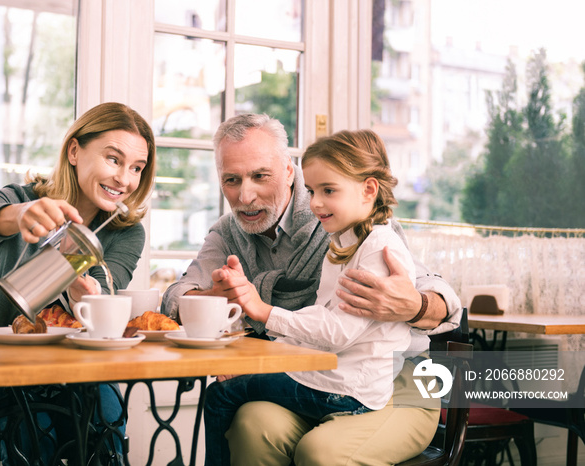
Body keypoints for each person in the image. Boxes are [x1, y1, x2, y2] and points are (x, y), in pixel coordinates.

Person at [160, 114, 462, 465]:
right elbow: (177, 295)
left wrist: (415, 306)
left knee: (322, 453)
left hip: (396, 376)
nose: (245, 194)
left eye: (260, 176)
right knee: (250, 426)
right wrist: (216, 302)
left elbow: (439, 296)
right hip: (308, 375)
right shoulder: (227, 232)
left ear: (289, 171)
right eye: (231, 180)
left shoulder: (346, 215)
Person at [0, 102, 156, 465]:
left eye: (136, 168)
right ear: (74, 151)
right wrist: (19, 216)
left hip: (82, 379)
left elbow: (108, 285)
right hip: (0, 377)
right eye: (113, 159)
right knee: (33, 438)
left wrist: (85, 288)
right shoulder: (19, 198)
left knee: (104, 432)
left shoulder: (125, 232)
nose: (125, 179)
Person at [204, 128, 423, 464]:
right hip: (339, 377)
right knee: (238, 401)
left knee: (220, 396)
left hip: (350, 388)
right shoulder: (345, 244)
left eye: (328, 190)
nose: (316, 202)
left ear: (368, 190)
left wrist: (263, 311)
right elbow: (325, 322)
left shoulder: (379, 247)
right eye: (312, 191)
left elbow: (336, 333)